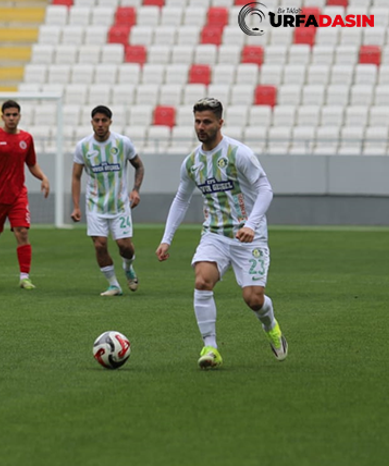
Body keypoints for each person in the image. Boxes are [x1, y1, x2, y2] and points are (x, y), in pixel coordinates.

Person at [155, 97, 287, 370]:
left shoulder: (239, 153)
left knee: (253, 299)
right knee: (202, 281)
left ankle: (271, 325)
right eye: (197, 121)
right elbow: (181, 199)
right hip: (214, 234)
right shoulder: (192, 162)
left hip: (249, 236)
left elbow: (265, 190)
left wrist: (251, 224)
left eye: (207, 122)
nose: (201, 127)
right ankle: (211, 347)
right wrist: (167, 239)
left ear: (220, 123)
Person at [0, 100, 50, 290]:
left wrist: (43, 177)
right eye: (8, 115)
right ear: (2, 117)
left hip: (17, 196)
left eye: (15, 115)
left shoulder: (27, 139)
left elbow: (31, 164)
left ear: (19, 116)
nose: (12, 118)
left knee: (22, 232)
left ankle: (24, 277)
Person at [71, 105, 145, 296]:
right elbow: (76, 177)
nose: (100, 124)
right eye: (97, 120)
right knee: (99, 245)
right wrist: (76, 206)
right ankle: (114, 285)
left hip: (120, 205)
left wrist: (135, 190)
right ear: (92, 122)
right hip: (94, 205)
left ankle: (128, 267)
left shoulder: (122, 143)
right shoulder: (83, 147)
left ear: (110, 122)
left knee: (124, 246)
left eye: (104, 120)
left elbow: (139, 166)